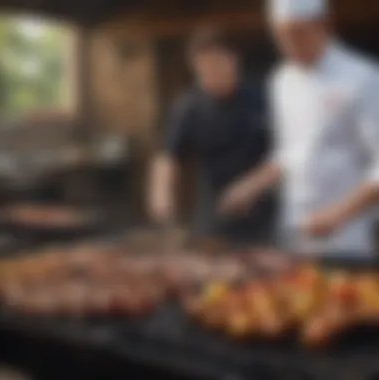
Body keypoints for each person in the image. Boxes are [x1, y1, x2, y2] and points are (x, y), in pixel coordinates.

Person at [220, 0, 379, 256]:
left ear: (324, 25)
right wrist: (252, 185)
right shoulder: (282, 81)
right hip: (293, 231)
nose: (289, 45)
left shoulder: (363, 78)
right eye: (281, 36)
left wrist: (339, 214)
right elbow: (289, 154)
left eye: (298, 33)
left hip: (347, 237)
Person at [149, 27, 273, 244]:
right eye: (203, 69)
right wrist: (161, 193)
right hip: (211, 216)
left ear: (233, 61)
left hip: (262, 217)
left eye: (216, 65)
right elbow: (168, 156)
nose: (210, 74)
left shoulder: (262, 98)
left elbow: (287, 154)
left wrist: (252, 186)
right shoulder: (189, 107)